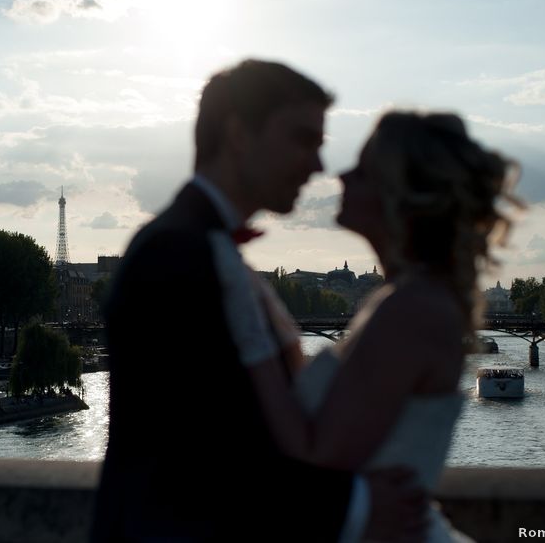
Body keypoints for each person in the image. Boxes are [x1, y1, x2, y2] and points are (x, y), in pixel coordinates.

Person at [91, 60, 427, 542]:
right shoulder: (178, 253)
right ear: (240, 134)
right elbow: (201, 453)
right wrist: (352, 506)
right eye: (303, 139)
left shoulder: (192, 245)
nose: (317, 165)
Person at [248, 110, 522, 542]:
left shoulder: (409, 309)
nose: (342, 176)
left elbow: (316, 458)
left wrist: (256, 338)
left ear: (398, 193)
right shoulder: (408, 299)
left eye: (362, 170)